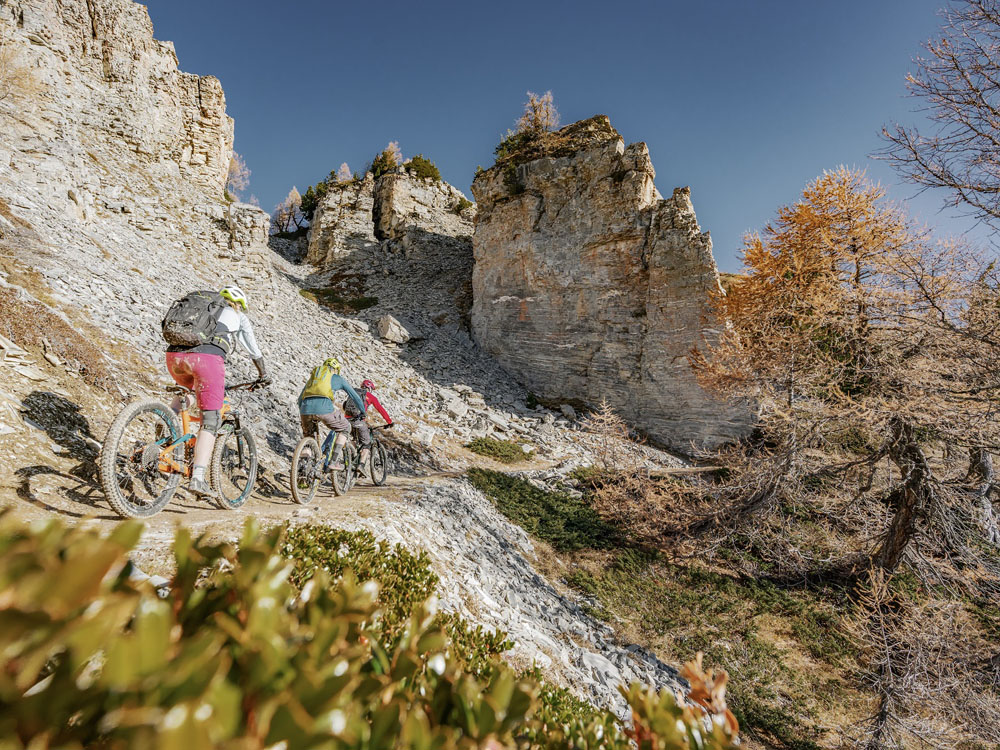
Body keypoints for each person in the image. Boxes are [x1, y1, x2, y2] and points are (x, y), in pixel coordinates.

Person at [164, 285, 270, 497]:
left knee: (184, 394)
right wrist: (262, 374)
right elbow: (253, 350)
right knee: (210, 420)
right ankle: (198, 478)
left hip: (174, 355)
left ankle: (162, 428)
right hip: (207, 359)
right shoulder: (238, 316)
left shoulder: (201, 307)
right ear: (240, 304)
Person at [298, 357, 365, 471]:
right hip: (324, 409)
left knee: (309, 436)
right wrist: (362, 411)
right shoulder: (337, 378)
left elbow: (300, 398)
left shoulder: (314, 378)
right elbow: (355, 396)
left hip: (305, 409)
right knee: (346, 428)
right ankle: (333, 461)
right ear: (336, 369)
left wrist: (305, 412)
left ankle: (302, 468)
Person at [343, 378, 394, 477]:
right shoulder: (370, 396)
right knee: (367, 443)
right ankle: (361, 465)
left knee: (354, 439)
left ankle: (351, 457)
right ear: (369, 388)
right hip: (358, 421)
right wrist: (389, 421)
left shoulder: (353, 392)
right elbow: (380, 409)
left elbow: (345, 405)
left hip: (347, 420)